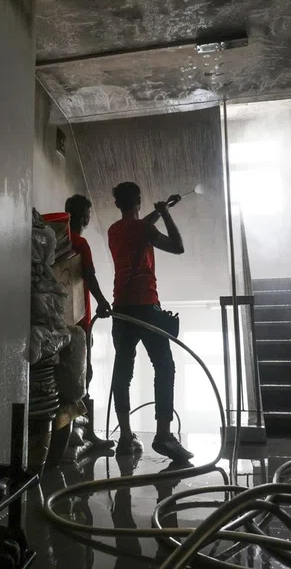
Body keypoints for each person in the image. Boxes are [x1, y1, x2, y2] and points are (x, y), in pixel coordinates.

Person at [107, 181, 193, 461]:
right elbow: (178, 247)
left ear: (118, 203)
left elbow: (137, 229)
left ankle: (124, 437)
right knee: (164, 366)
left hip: (121, 307)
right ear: (140, 200)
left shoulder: (114, 231)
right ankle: (164, 436)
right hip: (146, 304)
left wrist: (161, 208)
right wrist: (166, 214)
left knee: (123, 371)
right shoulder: (144, 228)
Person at [64, 194, 113, 448]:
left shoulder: (57, 241)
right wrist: (103, 302)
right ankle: (87, 434)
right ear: (84, 216)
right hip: (80, 320)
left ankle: (67, 433)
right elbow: (89, 277)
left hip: (57, 321)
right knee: (84, 374)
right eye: (89, 213)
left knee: (62, 376)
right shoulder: (80, 243)